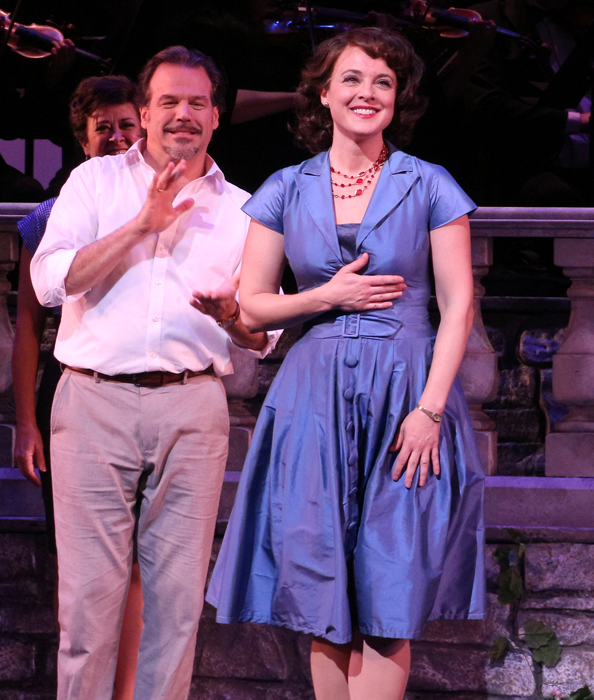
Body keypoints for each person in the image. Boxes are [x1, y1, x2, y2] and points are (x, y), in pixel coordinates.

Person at [207, 27, 486, 699]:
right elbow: (252, 304)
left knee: (391, 595)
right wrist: (326, 296)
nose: (368, 93)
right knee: (321, 594)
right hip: (314, 400)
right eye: (353, 79)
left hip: (406, 395)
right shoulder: (284, 187)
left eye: (383, 82)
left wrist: (430, 410)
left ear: (398, 100)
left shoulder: (429, 184)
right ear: (324, 94)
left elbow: (460, 303)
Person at [30, 45, 277, 700]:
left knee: (177, 608)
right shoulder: (97, 183)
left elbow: (263, 335)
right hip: (92, 402)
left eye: (197, 103)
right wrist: (141, 225)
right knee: (86, 607)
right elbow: (51, 280)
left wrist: (234, 319)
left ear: (217, 117)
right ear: (145, 111)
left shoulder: (246, 209)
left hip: (191, 407)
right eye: (169, 101)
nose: (183, 115)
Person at [12, 74, 145, 700]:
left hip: (143, 401)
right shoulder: (50, 217)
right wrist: (27, 423)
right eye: (103, 129)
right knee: (85, 566)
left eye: (125, 124)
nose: (117, 137)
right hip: (71, 393)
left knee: (143, 565)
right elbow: (25, 330)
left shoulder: (167, 202)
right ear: (82, 137)